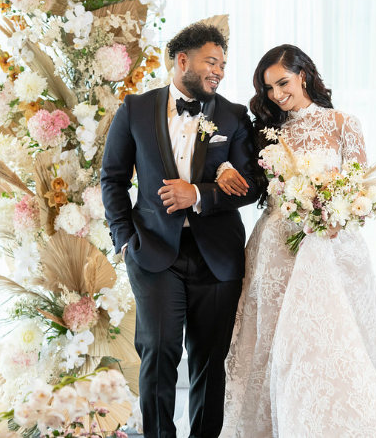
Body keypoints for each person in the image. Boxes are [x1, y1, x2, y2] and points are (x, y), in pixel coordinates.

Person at [216, 44, 376, 437]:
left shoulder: (342, 124)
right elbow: (247, 176)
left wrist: (333, 213)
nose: (277, 95)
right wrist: (225, 167)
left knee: (328, 341)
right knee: (276, 344)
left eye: (282, 83)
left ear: (304, 74)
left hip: (331, 248)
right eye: (268, 89)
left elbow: (359, 190)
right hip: (277, 247)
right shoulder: (269, 130)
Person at [101, 23, 261, 438]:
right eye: (212, 62)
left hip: (217, 257)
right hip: (152, 253)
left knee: (210, 359)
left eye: (223, 65)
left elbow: (251, 185)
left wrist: (200, 194)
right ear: (182, 60)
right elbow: (112, 178)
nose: (219, 72)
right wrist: (124, 239)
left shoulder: (233, 116)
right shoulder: (134, 109)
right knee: (158, 352)